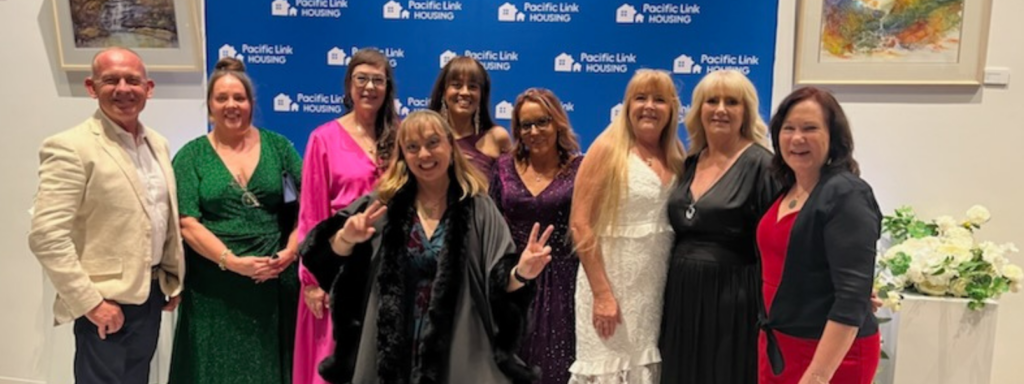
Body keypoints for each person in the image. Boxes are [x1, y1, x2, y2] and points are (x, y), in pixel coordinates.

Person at [301, 110, 551, 383]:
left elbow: (499, 284)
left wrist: (522, 273)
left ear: (449, 146)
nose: (424, 155)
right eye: (412, 147)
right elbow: (320, 258)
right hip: (391, 356)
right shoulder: (381, 207)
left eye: (433, 143)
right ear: (403, 155)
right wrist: (346, 239)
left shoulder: (479, 209)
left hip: (458, 353)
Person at [28, 47, 184, 384]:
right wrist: (91, 303)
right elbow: (46, 236)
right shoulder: (70, 147)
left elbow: (160, 219)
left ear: (149, 88)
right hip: (105, 303)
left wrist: (171, 277)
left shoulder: (158, 144)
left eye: (133, 80)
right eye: (110, 80)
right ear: (91, 87)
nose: (123, 89)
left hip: (151, 295)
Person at [168, 57, 302, 384]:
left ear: (252, 104)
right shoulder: (191, 156)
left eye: (239, 98)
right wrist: (233, 262)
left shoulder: (279, 148)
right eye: (222, 98)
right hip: (213, 285)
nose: (231, 105)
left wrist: (290, 252)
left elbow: (304, 209)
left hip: (272, 281)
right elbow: (187, 223)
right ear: (210, 106)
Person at [659, 70, 778, 384]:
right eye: (712, 101)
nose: (721, 109)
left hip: (734, 296)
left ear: (746, 112)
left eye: (732, 102)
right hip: (681, 292)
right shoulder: (689, 162)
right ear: (699, 110)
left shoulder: (762, 165)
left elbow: (778, 242)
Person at [756, 87, 881, 384]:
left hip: (830, 354)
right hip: (780, 344)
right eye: (789, 129)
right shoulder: (787, 188)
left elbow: (850, 297)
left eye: (810, 128)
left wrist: (818, 375)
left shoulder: (847, 193)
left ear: (833, 137)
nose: (797, 138)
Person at [569, 69, 686, 383]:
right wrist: (603, 294)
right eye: (640, 98)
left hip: (653, 291)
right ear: (627, 105)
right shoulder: (607, 148)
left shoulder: (676, 155)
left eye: (659, 99)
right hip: (611, 285)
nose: (649, 106)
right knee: (608, 367)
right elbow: (580, 224)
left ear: (672, 108)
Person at [293, 48, 398, 384]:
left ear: (388, 87)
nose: (369, 87)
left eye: (377, 80)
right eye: (361, 79)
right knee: (335, 364)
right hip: (336, 268)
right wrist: (312, 280)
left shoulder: (402, 137)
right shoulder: (323, 139)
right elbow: (311, 213)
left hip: (389, 267)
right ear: (349, 86)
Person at [489, 88, 583, 384]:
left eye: (542, 122)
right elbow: (490, 222)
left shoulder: (580, 168)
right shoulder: (503, 167)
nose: (534, 131)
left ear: (557, 123)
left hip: (564, 282)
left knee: (557, 367)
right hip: (514, 280)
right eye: (525, 125)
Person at [428, 56, 511, 177]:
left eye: (472, 87)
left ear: (481, 95)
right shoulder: (427, 136)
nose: (465, 92)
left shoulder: (497, 137)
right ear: (443, 92)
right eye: (457, 85)